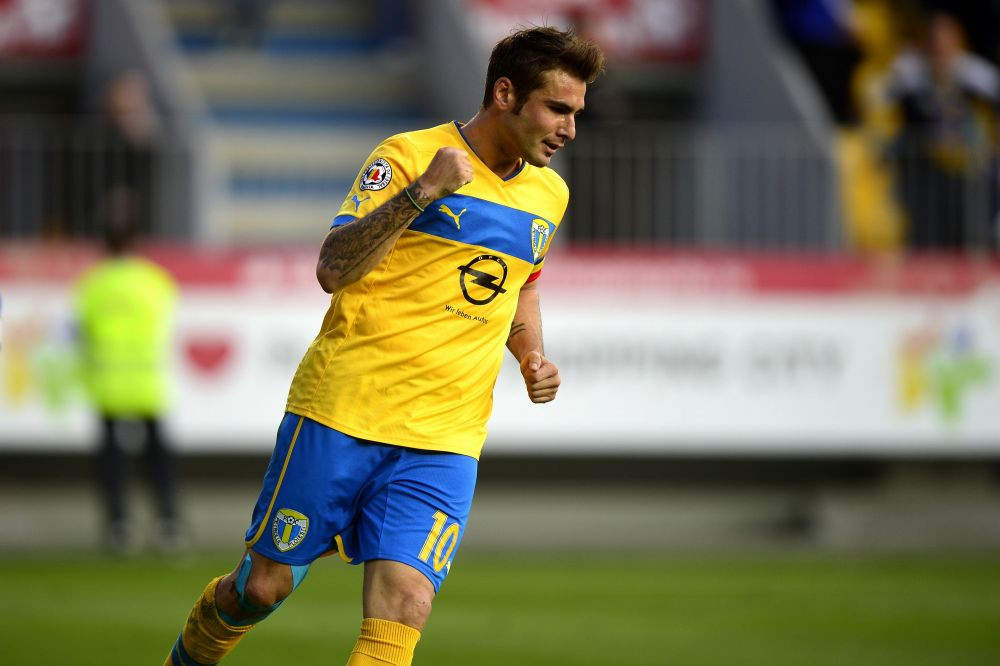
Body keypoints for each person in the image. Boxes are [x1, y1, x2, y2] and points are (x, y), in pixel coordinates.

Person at [164, 26, 605, 666]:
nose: (569, 129)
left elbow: (523, 285)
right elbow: (333, 269)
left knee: (405, 606)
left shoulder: (549, 193)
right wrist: (422, 193)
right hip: (345, 411)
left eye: (576, 113)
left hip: (446, 436)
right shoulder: (408, 156)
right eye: (557, 109)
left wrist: (530, 353)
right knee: (261, 588)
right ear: (506, 94)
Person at [75, 188, 181, 554]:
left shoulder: (93, 284)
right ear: (136, 237)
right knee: (157, 458)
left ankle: (118, 526)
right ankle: (168, 522)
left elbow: (83, 329)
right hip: (146, 380)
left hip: (108, 380)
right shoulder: (154, 279)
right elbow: (165, 320)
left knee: (111, 460)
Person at [884, 10, 1000, 250]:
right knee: (928, 234)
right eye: (933, 43)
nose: (939, 49)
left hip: (971, 170)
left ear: (957, 41)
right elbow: (884, 101)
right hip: (927, 170)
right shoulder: (911, 74)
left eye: (944, 42)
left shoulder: (976, 75)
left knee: (970, 233)